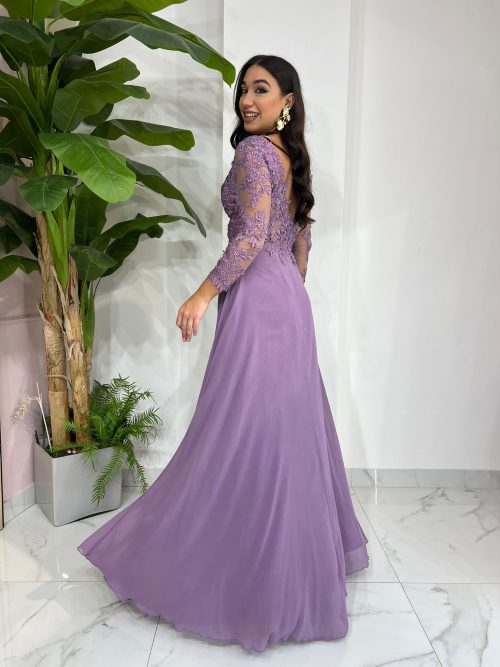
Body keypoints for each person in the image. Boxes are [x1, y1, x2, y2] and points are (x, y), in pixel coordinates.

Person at [77, 54, 369, 653]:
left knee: (237, 433)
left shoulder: (255, 152)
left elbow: (253, 234)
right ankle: (287, 573)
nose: (246, 100)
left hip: (258, 299)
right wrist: (286, 296)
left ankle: (238, 572)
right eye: (243, 89)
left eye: (261, 89)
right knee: (281, 434)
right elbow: (300, 243)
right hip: (287, 301)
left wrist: (203, 293)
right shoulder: (291, 157)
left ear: (287, 100)